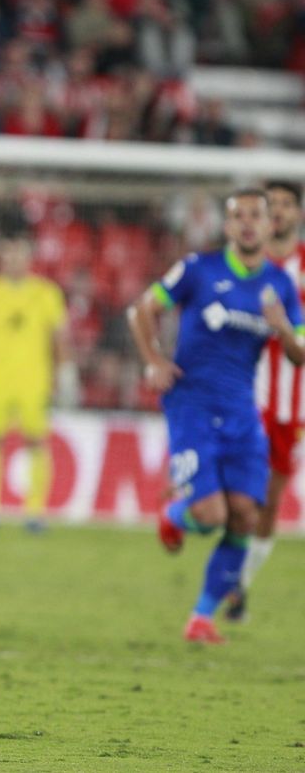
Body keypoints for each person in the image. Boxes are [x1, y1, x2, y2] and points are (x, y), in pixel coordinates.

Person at [126, 189, 305, 644]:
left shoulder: (282, 287)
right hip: (193, 403)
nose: (248, 224)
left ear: (270, 227)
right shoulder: (197, 269)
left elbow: (298, 353)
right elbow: (142, 310)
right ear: (227, 227)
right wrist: (154, 360)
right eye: (238, 216)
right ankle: (174, 514)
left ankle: (201, 617)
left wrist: (283, 326)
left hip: (244, 411)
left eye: (256, 216)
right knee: (209, 514)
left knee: (246, 513)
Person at [0, 235, 76, 533]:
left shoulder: (47, 293)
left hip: (34, 379)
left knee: (36, 442)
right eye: (8, 256)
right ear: (0, 260)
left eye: (19, 256)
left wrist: (66, 371)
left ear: (29, 259)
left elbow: (59, 337)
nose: (13, 261)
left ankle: (34, 513)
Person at [228, 179, 305, 621]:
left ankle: (240, 583)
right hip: (242, 394)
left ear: (297, 214)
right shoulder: (242, 265)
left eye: (285, 205)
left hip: (291, 404)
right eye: (270, 204)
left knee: (268, 502)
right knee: (237, 497)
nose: (277, 211)